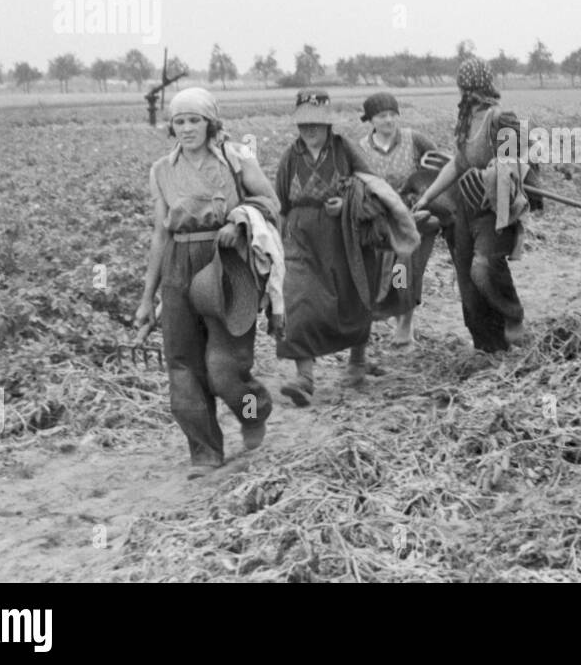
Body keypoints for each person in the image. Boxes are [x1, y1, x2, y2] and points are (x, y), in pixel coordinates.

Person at [134, 87, 281, 478]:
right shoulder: (162, 170)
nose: (186, 128)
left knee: (224, 367)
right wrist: (148, 298)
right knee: (182, 363)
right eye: (179, 121)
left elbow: (271, 202)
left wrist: (238, 220)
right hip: (179, 265)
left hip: (226, 262)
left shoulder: (236, 158)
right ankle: (204, 451)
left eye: (194, 120)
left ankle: (253, 411)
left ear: (210, 123)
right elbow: (159, 235)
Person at [413, 59, 540, 353]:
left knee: (482, 269)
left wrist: (488, 174)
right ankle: (488, 345)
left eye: (471, 90)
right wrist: (427, 197)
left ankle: (513, 316)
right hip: (464, 209)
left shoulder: (501, 118)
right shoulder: (467, 122)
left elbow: (520, 162)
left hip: (496, 209)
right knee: (467, 284)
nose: (468, 96)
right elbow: (457, 164)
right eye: (466, 90)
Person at [274, 90, 394, 397]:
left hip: (344, 238)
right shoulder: (291, 156)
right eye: (304, 124)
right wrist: (278, 241)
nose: (310, 130)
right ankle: (304, 378)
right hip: (301, 241)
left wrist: (347, 203)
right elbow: (280, 203)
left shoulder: (344, 150)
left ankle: (357, 362)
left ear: (328, 125)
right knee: (297, 298)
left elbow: (373, 186)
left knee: (352, 297)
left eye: (316, 123)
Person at [357, 91, 439, 349]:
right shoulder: (360, 149)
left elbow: (438, 167)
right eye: (382, 116)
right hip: (380, 224)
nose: (389, 121)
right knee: (387, 274)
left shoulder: (414, 140)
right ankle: (387, 320)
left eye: (393, 115)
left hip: (416, 220)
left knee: (409, 271)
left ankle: (405, 328)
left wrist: (425, 195)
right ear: (371, 120)